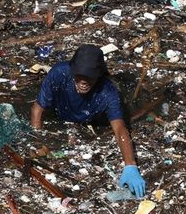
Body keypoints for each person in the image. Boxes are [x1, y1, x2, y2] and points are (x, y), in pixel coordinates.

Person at [30, 44, 146, 198]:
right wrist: (37, 138)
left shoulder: (107, 92)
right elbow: (37, 109)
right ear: (73, 72)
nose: (83, 82)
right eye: (79, 76)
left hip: (90, 119)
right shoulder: (59, 74)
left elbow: (119, 128)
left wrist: (130, 165)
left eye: (89, 77)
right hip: (61, 112)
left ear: (98, 75)